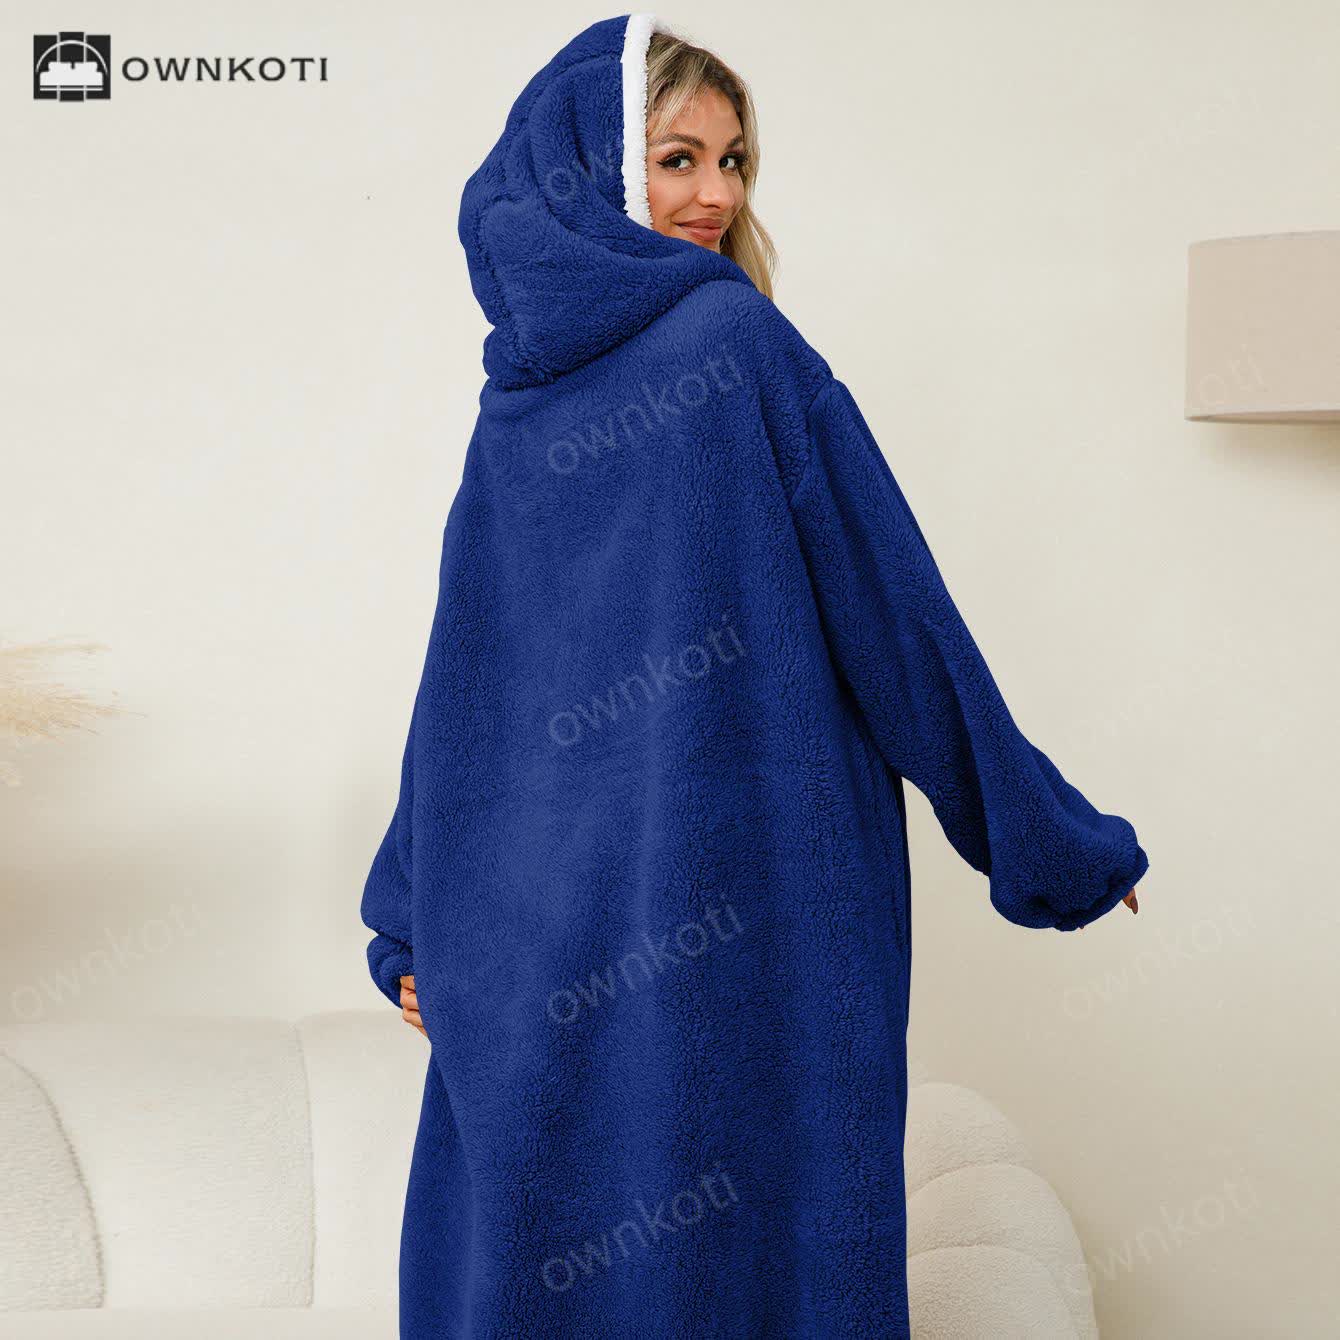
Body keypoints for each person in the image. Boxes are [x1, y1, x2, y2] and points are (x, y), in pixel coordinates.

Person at [361, 14, 1147, 1338]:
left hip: (587, 914)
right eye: (677, 157)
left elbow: (477, 682)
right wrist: (1051, 842)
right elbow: (487, 672)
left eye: (733, 162)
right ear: (590, 162)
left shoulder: (628, 370)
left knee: (567, 1251)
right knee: (749, 1253)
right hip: (741, 901)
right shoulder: (713, 349)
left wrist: (409, 922)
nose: (716, 195)